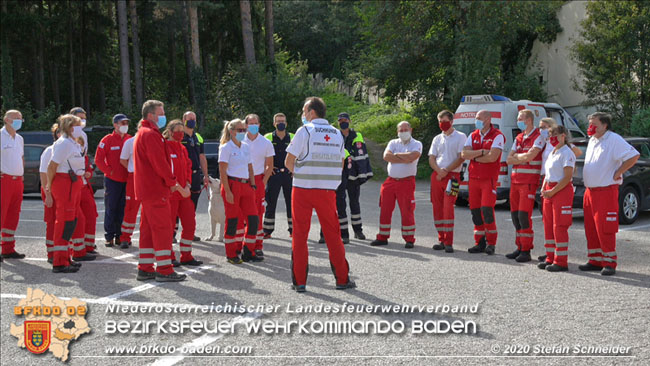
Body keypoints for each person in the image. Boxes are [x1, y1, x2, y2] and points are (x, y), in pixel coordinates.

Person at [285, 97, 355, 292]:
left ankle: (299, 282)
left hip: (302, 190)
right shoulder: (336, 133)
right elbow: (341, 163)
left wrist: (300, 174)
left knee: (299, 235)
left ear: (311, 112)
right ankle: (342, 279)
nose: (303, 114)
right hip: (327, 191)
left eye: (304, 110)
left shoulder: (305, 131)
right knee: (333, 235)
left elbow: (288, 161)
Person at [133, 100, 188, 282]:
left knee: (148, 230)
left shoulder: (144, 133)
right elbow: (160, 164)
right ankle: (164, 269)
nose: (163, 116)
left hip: (148, 190)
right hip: (156, 190)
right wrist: (173, 183)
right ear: (151, 115)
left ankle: (145, 267)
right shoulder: (151, 135)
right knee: (163, 229)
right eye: (161, 113)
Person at [580, 112, 639, 276]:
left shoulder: (613, 139)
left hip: (605, 191)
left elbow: (634, 155)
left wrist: (619, 171)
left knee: (605, 227)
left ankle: (609, 262)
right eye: (589, 123)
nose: (590, 127)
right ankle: (595, 260)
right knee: (591, 228)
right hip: (590, 191)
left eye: (594, 124)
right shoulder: (593, 140)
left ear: (604, 125)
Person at [319, 112, 373, 244]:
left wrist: (362, 174)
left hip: (353, 174)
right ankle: (342, 233)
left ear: (349, 121)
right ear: (338, 123)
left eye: (345, 120)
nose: (343, 122)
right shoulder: (333, 135)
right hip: (339, 174)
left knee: (354, 203)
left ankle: (358, 230)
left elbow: (362, 156)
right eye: (340, 120)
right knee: (338, 204)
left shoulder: (357, 135)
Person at [370, 121, 422, 248]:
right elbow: (386, 156)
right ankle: (382, 237)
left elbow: (412, 157)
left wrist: (396, 156)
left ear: (411, 130)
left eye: (405, 130)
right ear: (397, 132)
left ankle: (409, 239)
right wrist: (404, 158)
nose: (403, 132)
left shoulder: (416, 144)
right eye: (401, 130)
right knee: (385, 209)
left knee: (407, 210)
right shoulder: (393, 143)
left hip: (407, 181)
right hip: (391, 181)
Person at [536, 117, 582, 262]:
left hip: (560, 191)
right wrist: (544, 188)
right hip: (550, 190)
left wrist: (552, 191)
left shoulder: (567, 153)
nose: (551, 139)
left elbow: (567, 177)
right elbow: (548, 174)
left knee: (559, 225)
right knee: (548, 225)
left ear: (563, 136)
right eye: (550, 137)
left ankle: (560, 261)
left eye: (554, 137)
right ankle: (550, 257)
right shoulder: (552, 152)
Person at [461, 110, 505, 255]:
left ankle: (491, 243)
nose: (476, 120)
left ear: (488, 119)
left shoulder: (497, 135)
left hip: (488, 180)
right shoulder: (473, 135)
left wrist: (473, 156)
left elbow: (492, 157)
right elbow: (464, 154)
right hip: (474, 179)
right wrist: (481, 152)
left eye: (479, 118)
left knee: (487, 210)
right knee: (475, 211)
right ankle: (479, 242)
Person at [45, 114, 86, 273]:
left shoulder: (72, 143)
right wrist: (49, 185)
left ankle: (66, 257)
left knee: (71, 221)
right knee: (63, 222)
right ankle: (59, 262)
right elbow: (51, 166)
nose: (80, 127)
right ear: (69, 126)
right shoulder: (64, 144)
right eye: (77, 124)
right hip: (64, 183)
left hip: (72, 183)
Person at [218, 118, 262, 264]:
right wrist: (228, 191)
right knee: (232, 220)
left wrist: (253, 185)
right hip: (232, 185)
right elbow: (222, 171)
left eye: (244, 130)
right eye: (240, 130)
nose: (243, 132)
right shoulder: (226, 148)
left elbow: (250, 167)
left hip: (246, 185)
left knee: (253, 219)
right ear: (231, 131)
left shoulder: (245, 146)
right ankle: (231, 253)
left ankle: (248, 251)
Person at [504, 109, 545, 262]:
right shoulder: (520, 137)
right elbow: (508, 159)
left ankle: (526, 249)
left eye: (520, 118)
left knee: (524, 215)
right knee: (515, 216)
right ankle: (519, 246)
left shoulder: (538, 137)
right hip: (515, 181)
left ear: (528, 120)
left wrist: (518, 157)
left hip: (528, 181)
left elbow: (531, 156)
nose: (518, 121)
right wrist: (521, 158)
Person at [164, 120, 203, 266]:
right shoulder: (164, 147)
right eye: (177, 130)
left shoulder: (182, 148)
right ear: (170, 131)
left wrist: (187, 185)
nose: (180, 133)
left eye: (182, 131)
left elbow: (188, 166)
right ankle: (169, 256)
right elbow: (166, 170)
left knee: (190, 224)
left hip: (184, 193)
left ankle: (186, 255)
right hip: (172, 193)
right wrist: (179, 187)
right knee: (169, 227)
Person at [428, 110, 466, 253]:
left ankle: (449, 241)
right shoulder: (437, 138)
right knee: (437, 207)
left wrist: (446, 170)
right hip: (437, 176)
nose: (442, 124)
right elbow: (431, 157)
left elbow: (461, 157)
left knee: (448, 208)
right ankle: (441, 239)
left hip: (453, 177)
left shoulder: (461, 137)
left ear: (451, 121)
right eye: (440, 122)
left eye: (444, 121)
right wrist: (439, 171)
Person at [95, 114, 131, 247]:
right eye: (122, 123)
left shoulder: (130, 139)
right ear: (115, 125)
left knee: (124, 208)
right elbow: (98, 159)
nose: (125, 125)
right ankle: (109, 236)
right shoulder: (107, 140)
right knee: (111, 207)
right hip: (112, 180)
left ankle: (120, 236)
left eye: (127, 123)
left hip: (127, 180)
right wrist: (109, 171)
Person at [243, 114, 274, 257]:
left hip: (258, 180)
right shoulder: (240, 140)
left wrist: (263, 182)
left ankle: (257, 246)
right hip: (242, 180)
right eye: (251, 123)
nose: (254, 126)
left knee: (257, 214)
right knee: (242, 215)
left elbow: (270, 165)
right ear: (246, 125)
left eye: (256, 123)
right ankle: (242, 245)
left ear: (259, 125)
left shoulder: (266, 142)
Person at [69, 107, 98, 254]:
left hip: (83, 183)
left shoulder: (84, 136)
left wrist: (88, 172)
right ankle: (76, 248)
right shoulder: (65, 140)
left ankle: (88, 244)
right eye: (80, 118)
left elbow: (84, 159)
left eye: (84, 118)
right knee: (75, 216)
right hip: (71, 183)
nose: (83, 121)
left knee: (91, 213)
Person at [263, 113, 294, 238]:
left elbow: (300, 154)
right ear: (274, 123)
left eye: (283, 121)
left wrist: (294, 169)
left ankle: (293, 230)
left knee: (291, 203)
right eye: (278, 121)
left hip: (288, 175)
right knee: (270, 202)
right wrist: (268, 168)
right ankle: (267, 230)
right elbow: (262, 154)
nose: (281, 123)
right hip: (273, 174)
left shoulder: (293, 137)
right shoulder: (268, 137)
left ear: (286, 123)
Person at [1, 110, 26, 260]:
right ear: (6, 119)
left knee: (13, 215)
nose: (19, 121)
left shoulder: (20, 138)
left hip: (17, 181)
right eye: (16, 118)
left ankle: (8, 249)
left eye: (21, 119)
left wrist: (21, 174)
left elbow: (21, 157)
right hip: (4, 180)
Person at [181, 112, 209, 218]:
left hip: (196, 175)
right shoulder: (179, 135)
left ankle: (190, 232)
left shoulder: (198, 137)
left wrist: (205, 176)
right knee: (179, 203)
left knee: (193, 204)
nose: (192, 120)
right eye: (190, 118)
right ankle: (173, 233)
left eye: (194, 118)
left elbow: (202, 157)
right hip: (183, 175)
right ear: (184, 120)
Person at [39, 124, 60, 262]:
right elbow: (43, 173)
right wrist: (48, 194)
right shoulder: (49, 151)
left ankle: (62, 253)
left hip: (63, 191)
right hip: (51, 190)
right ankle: (51, 254)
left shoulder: (68, 149)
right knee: (52, 222)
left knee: (64, 221)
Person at [118, 117, 139, 249]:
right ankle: (125, 238)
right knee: (131, 208)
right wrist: (132, 170)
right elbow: (122, 160)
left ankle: (151, 238)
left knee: (150, 209)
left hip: (149, 179)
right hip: (134, 177)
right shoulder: (130, 142)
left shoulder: (154, 141)